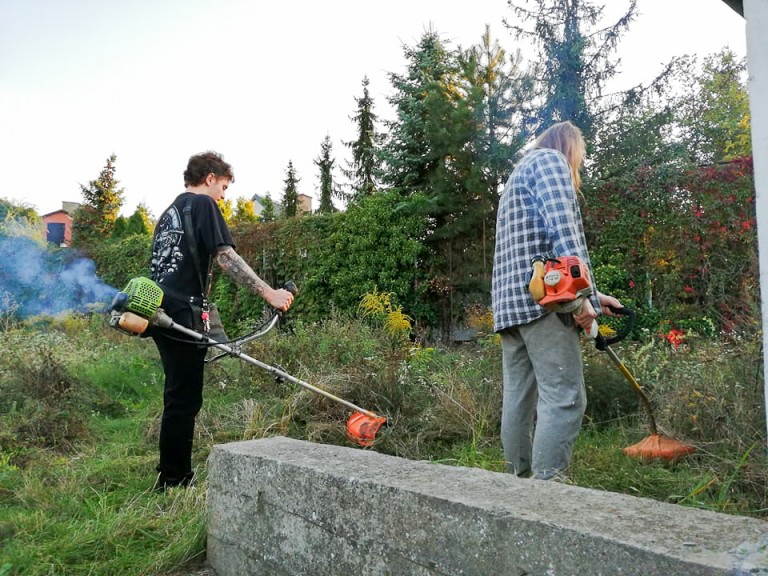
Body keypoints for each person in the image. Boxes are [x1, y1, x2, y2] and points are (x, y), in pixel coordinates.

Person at [149, 151, 294, 490]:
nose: (223, 196)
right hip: (183, 312)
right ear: (210, 177)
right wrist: (270, 294)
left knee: (177, 394)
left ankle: (171, 473)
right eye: (224, 187)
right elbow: (226, 258)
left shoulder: (169, 212)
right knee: (184, 398)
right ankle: (174, 480)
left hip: (159, 310)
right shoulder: (202, 204)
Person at [491, 121, 621, 481]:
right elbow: (564, 233)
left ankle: (515, 483)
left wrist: (595, 296)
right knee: (564, 396)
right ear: (570, 147)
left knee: (518, 398)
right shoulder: (551, 162)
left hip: (510, 307)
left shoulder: (517, 176)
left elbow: (531, 245)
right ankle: (546, 493)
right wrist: (581, 298)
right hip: (546, 303)